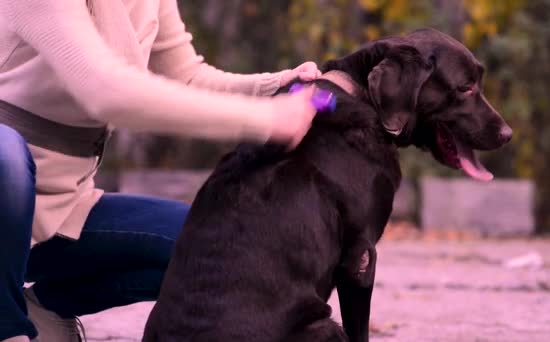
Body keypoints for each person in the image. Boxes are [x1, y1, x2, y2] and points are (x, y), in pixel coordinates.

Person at [0, 0, 321, 341]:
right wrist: (265, 120)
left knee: (215, 245)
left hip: (65, 207)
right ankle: (7, 327)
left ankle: (43, 309)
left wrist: (277, 87)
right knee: (6, 156)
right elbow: (108, 94)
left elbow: (187, 78)